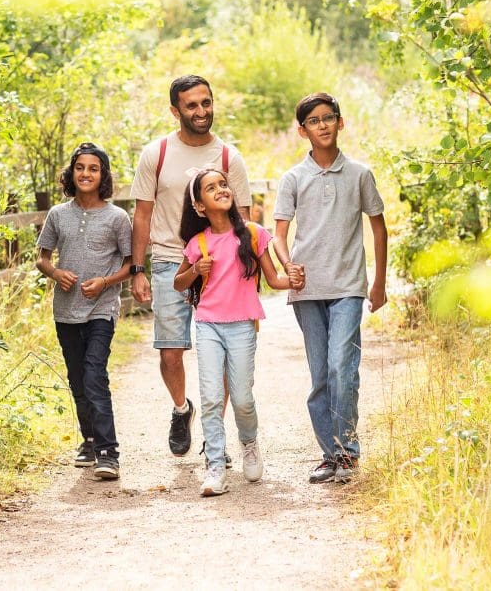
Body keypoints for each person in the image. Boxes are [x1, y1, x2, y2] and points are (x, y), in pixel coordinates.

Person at [129, 75, 252, 457]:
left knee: (224, 354)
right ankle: (182, 409)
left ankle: (214, 436)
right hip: (170, 261)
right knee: (170, 351)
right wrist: (137, 269)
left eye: (206, 103)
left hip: (221, 267)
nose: (201, 111)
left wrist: (250, 273)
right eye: (192, 105)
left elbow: (243, 221)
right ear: (175, 110)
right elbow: (142, 215)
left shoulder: (230, 157)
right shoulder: (157, 153)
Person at [272, 92, 388, 484]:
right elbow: (279, 235)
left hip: (349, 285)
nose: (322, 125)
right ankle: (330, 454)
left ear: (341, 122)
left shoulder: (359, 174)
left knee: (343, 367)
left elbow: (378, 226)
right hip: (307, 290)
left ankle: (347, 452)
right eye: (313, 121)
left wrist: (379, 283)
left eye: (328, 118)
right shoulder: (293, 178)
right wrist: (288, 267)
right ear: (302, 130)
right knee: (321, 374)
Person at [173, 169, 300, 495]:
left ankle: (249, 443)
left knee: (242, 398)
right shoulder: (197, 243)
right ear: (200, 206)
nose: (220, 190)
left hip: (243, 325)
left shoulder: (254, 234)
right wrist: (195, 270)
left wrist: (296, 280)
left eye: (223, 184)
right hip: (208, 325)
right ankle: (215, 466)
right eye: (210, 188)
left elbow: (274, 280)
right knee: (212, 398)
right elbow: (178, 282)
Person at [36, 142, 132, 481]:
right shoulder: (58, 215)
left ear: (103, 175)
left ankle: (108, 451)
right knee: (77, 379)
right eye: (80, 168)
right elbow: (42, 257)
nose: (86, 173)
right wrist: (56, 273)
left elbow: (131, 263)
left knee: (94, 374)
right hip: (65, 310)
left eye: (93, 168)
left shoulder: (117, 217)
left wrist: (105, 282)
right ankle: (89, 440)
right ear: (72, 173)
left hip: (101, 309)